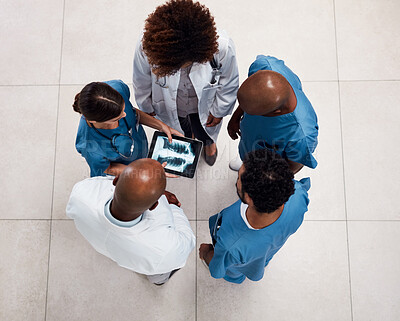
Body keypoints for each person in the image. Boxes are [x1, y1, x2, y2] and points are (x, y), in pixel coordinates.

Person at [133, 0, 239, 166]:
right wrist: (146, 105)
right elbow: (141, 78)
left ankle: (209, 144)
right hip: (170, 103)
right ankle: (189, 142)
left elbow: (229, 82)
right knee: (181, 129)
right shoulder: (148, 45)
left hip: (204, 104)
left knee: (204, 129)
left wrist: (220, 110)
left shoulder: (221, 46)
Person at [66, 158, 195, 285]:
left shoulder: (82, 193)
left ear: (116, 180)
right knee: (158, 276)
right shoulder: (166, 250)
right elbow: (187, 240)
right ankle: (159, 281)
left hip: (98, 241)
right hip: (149, 263)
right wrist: (173, 207)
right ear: (154, 205)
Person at [199, 149, 310, 284]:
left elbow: (217, 270)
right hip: (265, 250)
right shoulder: (298, 196)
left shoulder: (231, 245)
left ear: (249, 198)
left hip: (238, 262)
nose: (237, 179)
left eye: (238, 177)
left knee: (234, 271)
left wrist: (206, 253)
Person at [227, 55, 319, 174]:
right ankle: (245, 162)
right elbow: (252, 97)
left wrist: (263, 179)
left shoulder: (300, 136)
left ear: (276, 112)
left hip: (266, 166)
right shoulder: (264, 66)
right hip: (249, 142)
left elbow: (293, 167)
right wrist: (236, 117)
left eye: (255, 113)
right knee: (246, 153)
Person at [73, 79, 182, 177]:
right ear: (94, 121)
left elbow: (133, 112)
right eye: (116, 119)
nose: (125, 115)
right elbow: (108, 168)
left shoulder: (117, 88)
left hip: (137, 150)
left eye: (123, 110)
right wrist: (141, 173)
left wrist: (161, 126)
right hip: (122, 172)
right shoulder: (89, 144)